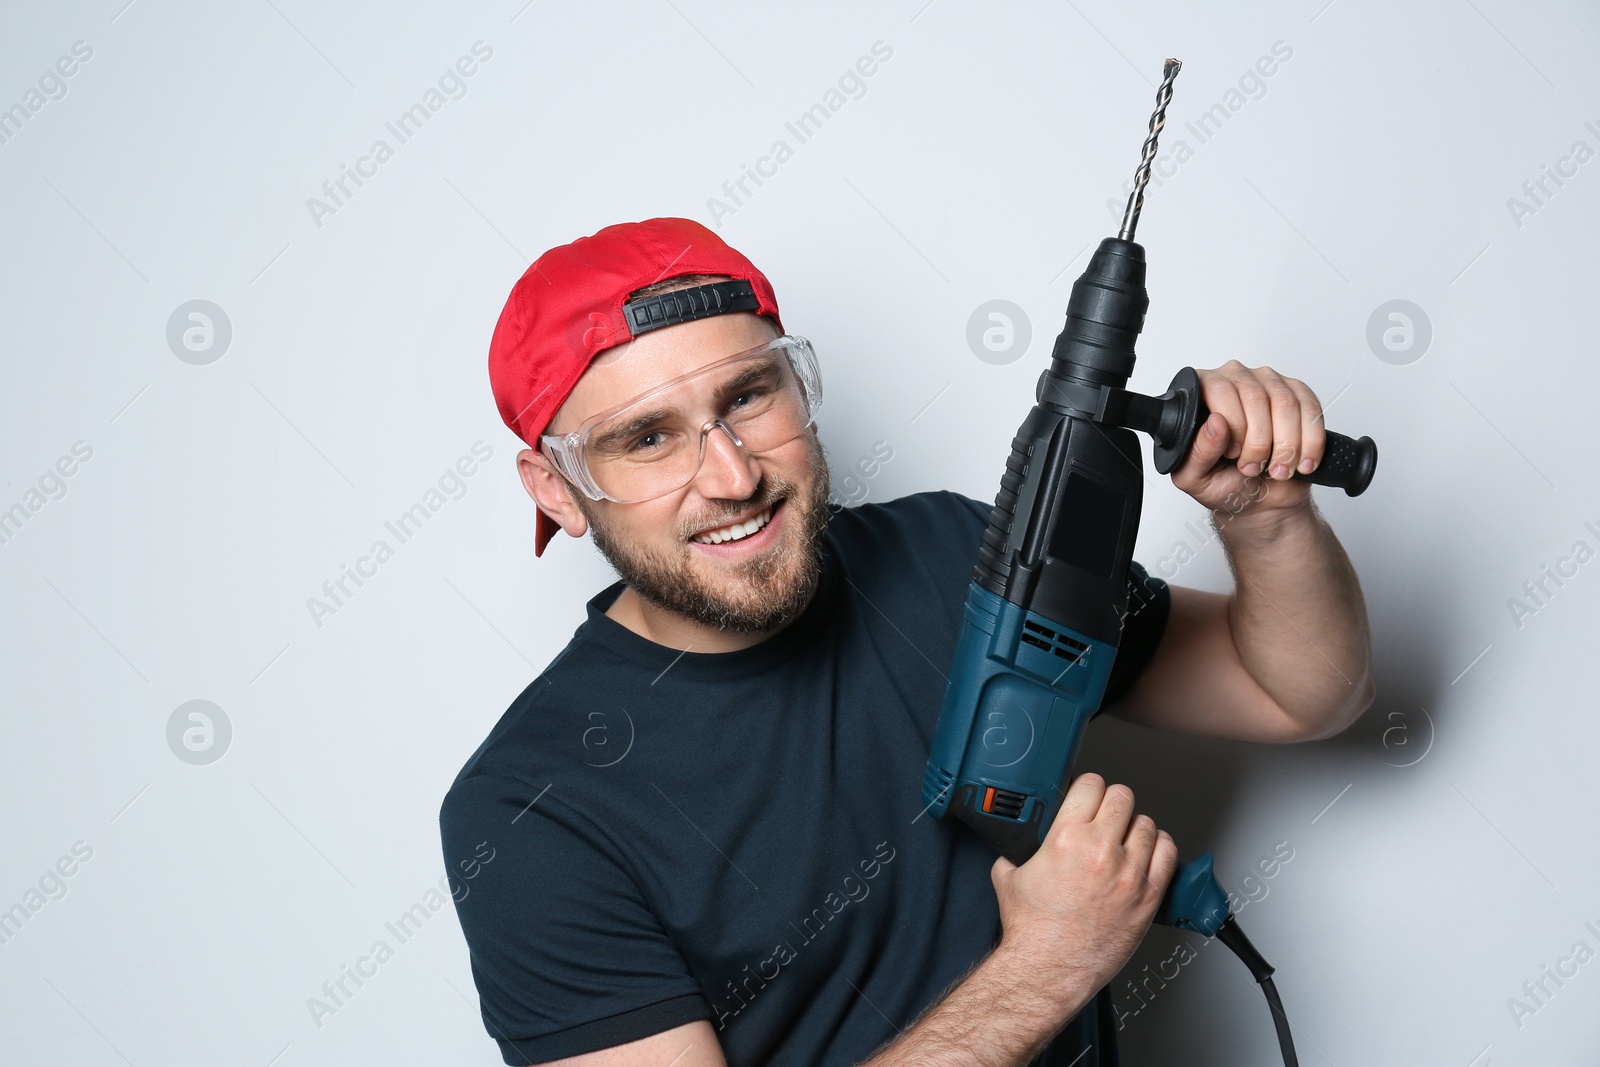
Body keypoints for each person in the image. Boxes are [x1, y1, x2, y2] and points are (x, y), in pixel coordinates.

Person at [439, 216, 1374, 1067]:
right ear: (556, 489)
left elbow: (1298, 690)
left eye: (751, 396)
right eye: (648, 438)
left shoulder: (949, 555)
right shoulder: (529, 810)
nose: (729, 475)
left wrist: (1264, 513)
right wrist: (1045, 967)